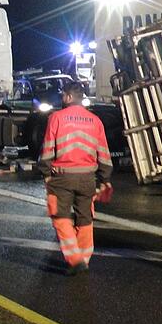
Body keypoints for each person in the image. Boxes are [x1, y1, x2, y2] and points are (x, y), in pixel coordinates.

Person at [39, 81, 112, 274]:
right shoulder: (95, 120)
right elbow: (103, 152)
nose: (62, 98)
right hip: (87, 177)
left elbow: (47, 150)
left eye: (63, 95)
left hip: (62, 177)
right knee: (85, 217)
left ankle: (74, 258)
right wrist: (105, 178)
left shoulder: (56, 118)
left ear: (69, 97)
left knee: (60, 215)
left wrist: (46, 173)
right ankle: (84, 258)